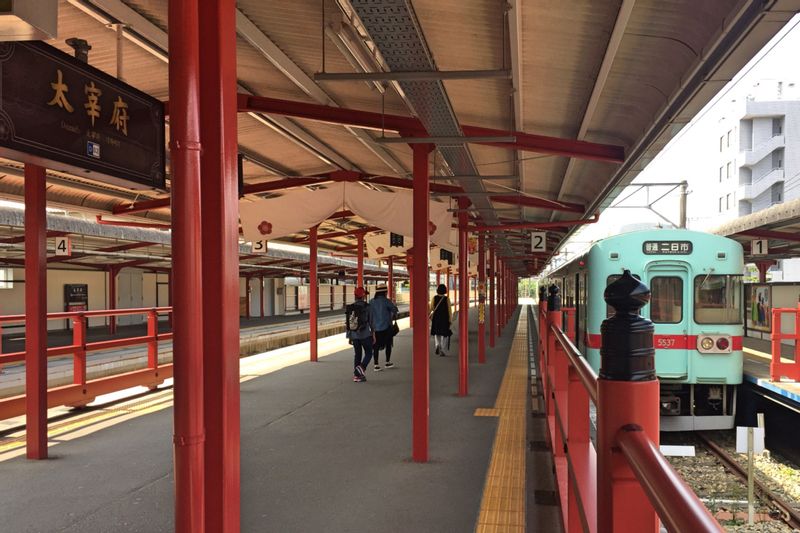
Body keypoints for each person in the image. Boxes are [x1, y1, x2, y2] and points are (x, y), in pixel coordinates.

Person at [346, 286, 373, 382]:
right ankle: (360, 369)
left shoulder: (351, 307)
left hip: (354, 335)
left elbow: (348, 323)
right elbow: (371, 322)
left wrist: (349, 336)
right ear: (363, 296)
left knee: (357, 354)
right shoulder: (367, 307)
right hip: (365, 334)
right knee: (369, 353)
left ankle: (357, 376)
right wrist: (373, 334)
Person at [369, 284, 398, 371]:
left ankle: (376, 364)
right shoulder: (387, 301)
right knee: (388, 344)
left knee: (376, 346)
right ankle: (387, 362)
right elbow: (395, 310)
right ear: (385, 292)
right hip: (386, 327)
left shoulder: (371, 301)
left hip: (375, 328)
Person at [429, 284, 452, 356]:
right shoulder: (447, 299)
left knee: (437, 333)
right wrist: (450, 320)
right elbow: (449, 310)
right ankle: (442, 349)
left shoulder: (434, 298)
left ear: (437, 290)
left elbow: (431, 308)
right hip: (444, 318)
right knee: (445, 334)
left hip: (436, 318)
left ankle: (437, 345)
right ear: (445, 290)